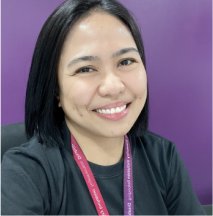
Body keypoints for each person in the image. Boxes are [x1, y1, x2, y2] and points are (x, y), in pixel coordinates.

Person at [1, 0, 205, 215]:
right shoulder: (27, 173)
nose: (113, 87)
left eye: (126, 62)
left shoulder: (163, 157)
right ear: (55, 89)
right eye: (86, 69)